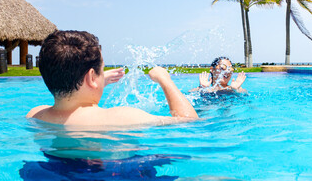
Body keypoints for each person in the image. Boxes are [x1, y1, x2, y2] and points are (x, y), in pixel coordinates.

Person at [27, 30, 198, 125]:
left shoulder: (35, 114)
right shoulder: (125, 118)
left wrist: (97, 82)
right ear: (91, 77)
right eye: (102, 69)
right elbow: (189, 121)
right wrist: (165, 80)